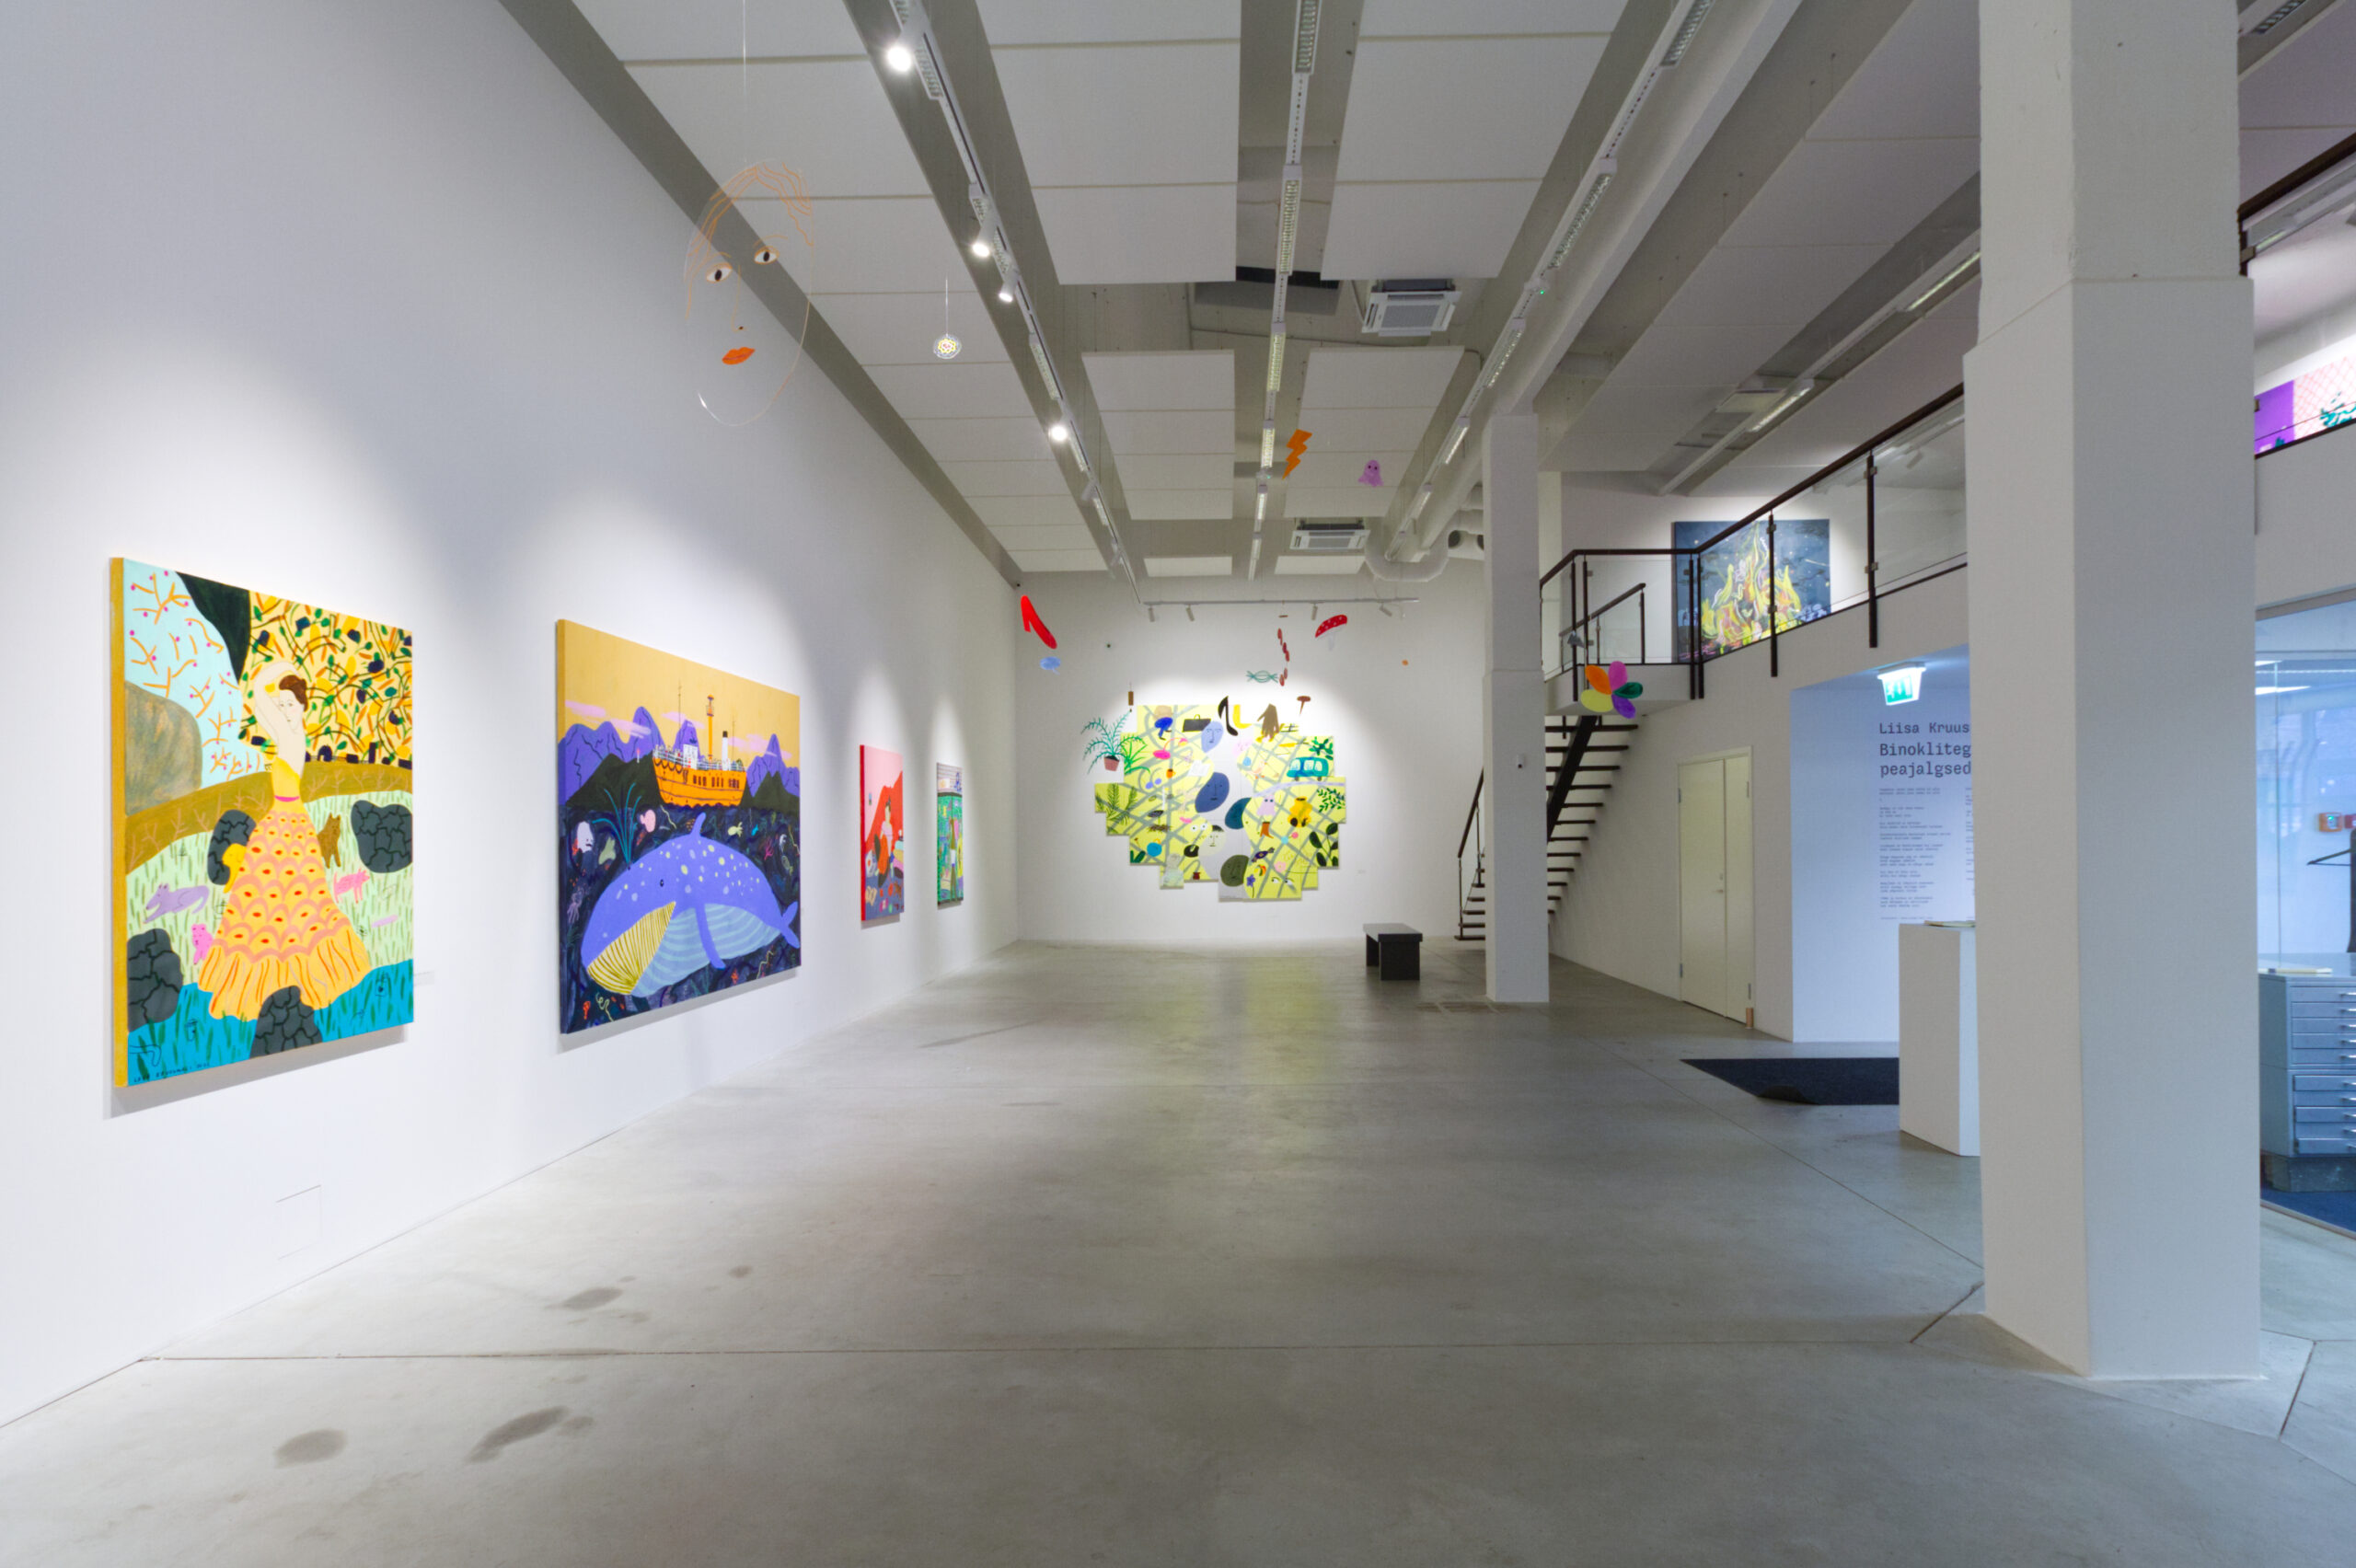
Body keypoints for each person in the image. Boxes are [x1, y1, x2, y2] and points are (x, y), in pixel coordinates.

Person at [196, 660, 373, 1020]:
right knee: (271, 902)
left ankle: (290, 977)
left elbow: (260, 701)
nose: (285, 709)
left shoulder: (292, 736)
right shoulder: (291, 734)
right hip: (284, 821)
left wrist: (270, 672)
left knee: (293, 904)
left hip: (288, 824)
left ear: (303, 706)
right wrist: (273, 684)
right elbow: (264, 706)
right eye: (283, 704)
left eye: (290, 704)